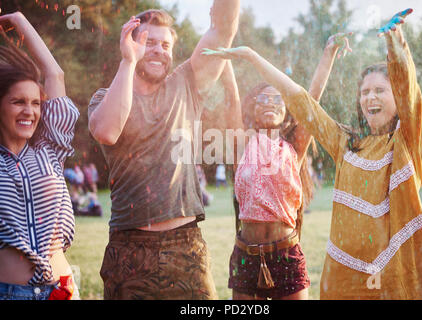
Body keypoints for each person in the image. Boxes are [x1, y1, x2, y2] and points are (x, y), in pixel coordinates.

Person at [207, 9, 422, 299]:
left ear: (397, 98)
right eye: (365, 92)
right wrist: (250, 56)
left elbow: (409, 96)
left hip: (395, 278)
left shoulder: (410, 141)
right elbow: (302, 100)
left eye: (380, 91)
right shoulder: (345, 143)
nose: (370, 97)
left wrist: (395, 45)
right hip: (345, 280)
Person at [88, 2, 240, 300]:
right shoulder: (105, 97)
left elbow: (223, 30)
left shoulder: (187, 82)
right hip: (129, 248)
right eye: (148, 42)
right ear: (130, 43)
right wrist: (128, 62)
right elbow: (107, 131)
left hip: (185, 244)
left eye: (165, 44)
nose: (158, 50)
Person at [209, 34, 352, 299]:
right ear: (252, 109)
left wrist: (328, 54)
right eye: (263, 100)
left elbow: (312, 99)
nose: (270, 104)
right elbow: (231, 94)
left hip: (286, 254)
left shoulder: (294, 147)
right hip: (246, 257)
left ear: (287, 113)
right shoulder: (242, 144)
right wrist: (226, 56)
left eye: (277, 100)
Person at [0, 12, 79, 300]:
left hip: (62, 290)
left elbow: (55, 74)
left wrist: (20, 20)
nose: (29, 111)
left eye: (35, 103)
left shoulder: (50, 150)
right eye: (17, 102)